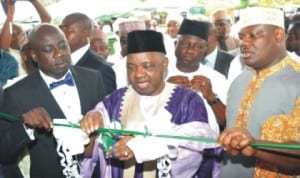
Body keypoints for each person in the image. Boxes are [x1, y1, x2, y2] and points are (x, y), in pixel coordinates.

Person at [79, 30, 219, 178]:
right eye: (131, 67)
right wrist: (90, 127)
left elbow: (197, 146)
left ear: (164, 64)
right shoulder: (115, 99)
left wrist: (143, 147)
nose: (138, 74)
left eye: (147, 66)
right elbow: (91, 152)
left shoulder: (188, 100)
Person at [0, 24, 107, 178]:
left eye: (63, 46)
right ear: (34, 55)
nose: (59, 54)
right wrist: (25, 126)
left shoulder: (93, 78)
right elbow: (4, 152)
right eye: (49, 50)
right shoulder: (16, 94)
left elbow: (109, 127)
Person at [218, 7, 300, 177]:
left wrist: (256, 148)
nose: (244, 43)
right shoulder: (238, 81)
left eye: (254, 35)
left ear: (278, 35)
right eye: (241, 37)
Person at [167, 19, 229, 133]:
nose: (190, 51)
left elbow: (226, 121)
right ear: (175, 44)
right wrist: (164, 90)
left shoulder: (217, 78)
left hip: (206, 146)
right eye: (185, 44)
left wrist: (211, 96)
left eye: (198, 47)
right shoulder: (160, 75)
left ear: (205, 50)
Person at [60, 12, 116, 94]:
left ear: (86, 33)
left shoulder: (101, 69)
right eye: (61, 29)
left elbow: (109, 104)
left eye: (69, 31)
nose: (62, 34)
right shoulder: (58, 61)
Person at [112, 19, 146, 88]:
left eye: (131, 40)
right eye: (123, 41)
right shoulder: (116, 69)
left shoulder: (158, 64)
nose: (126, 46)